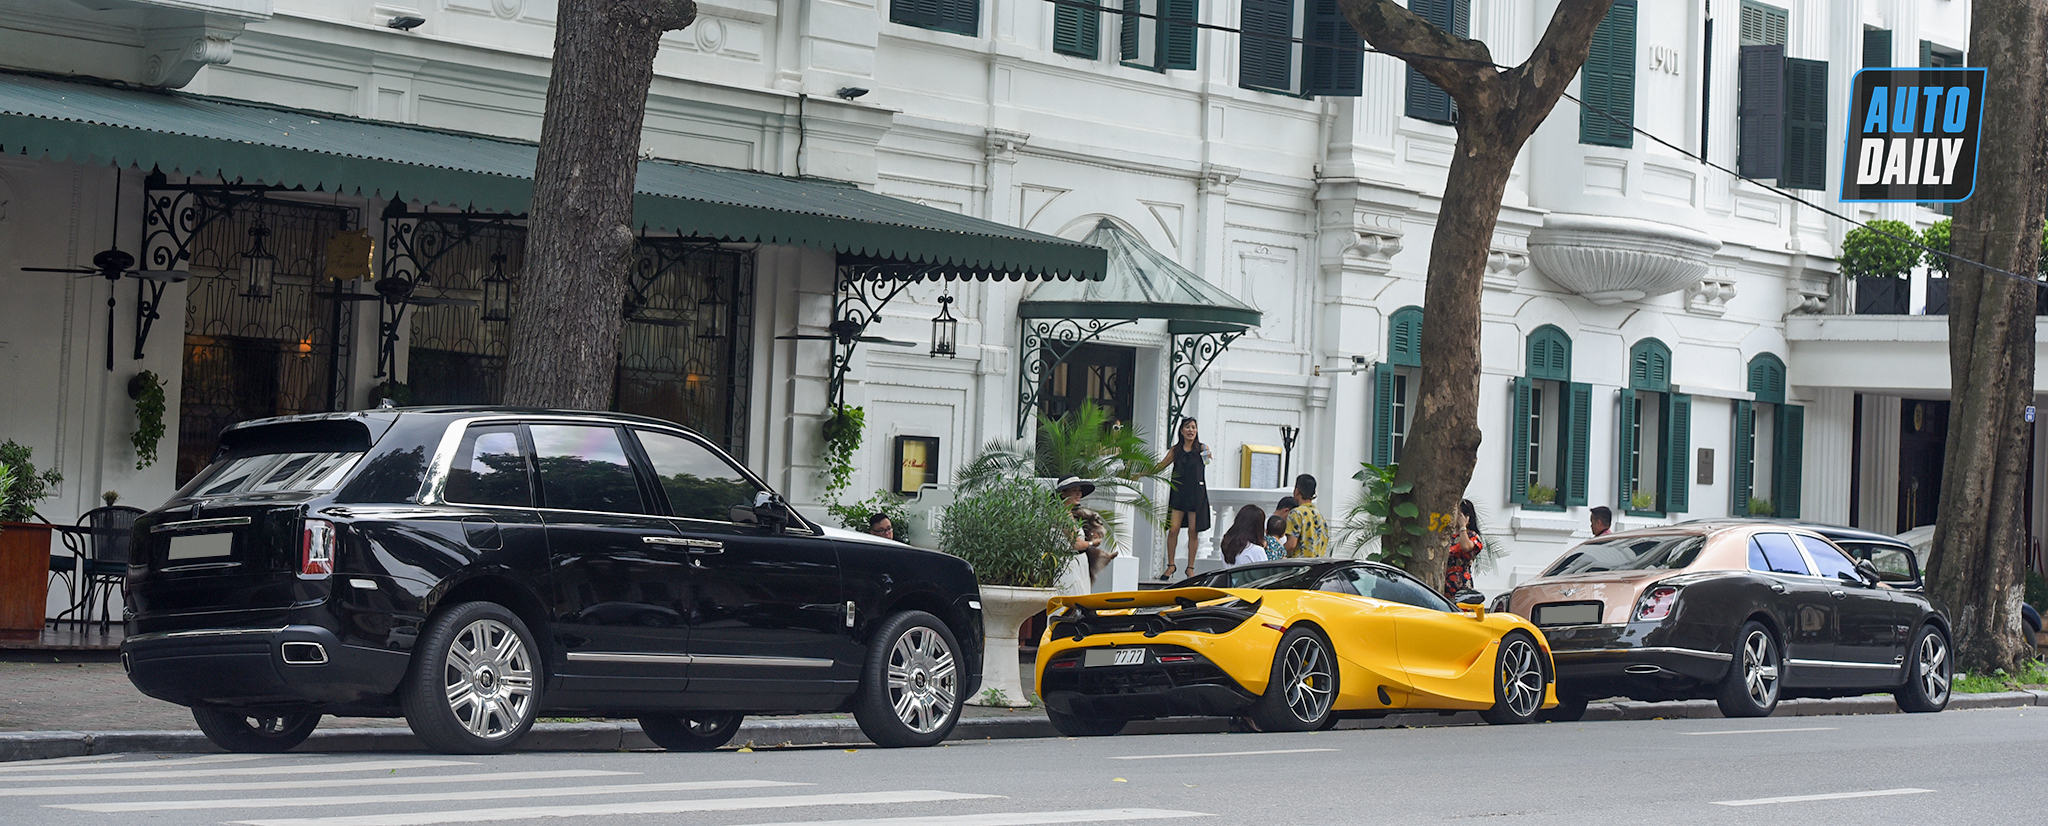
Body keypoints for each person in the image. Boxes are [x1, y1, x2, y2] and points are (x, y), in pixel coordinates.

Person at [1155, 418, 1212, 579]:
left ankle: (1190, 567)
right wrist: (1142, 473)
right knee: (1173, 530)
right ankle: (1171, 565)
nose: (1191, 430)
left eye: (1194, 427)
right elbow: (1161, 465)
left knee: (1193, 531)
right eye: (1188, 427)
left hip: (1196, 495)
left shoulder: (1202, 448)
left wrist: (1208, 455)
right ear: (1181, 431)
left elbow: (1206, 463)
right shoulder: (1176, 450)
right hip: (1179, 494)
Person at [1056, 476, 1116, 578]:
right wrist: (1092, 543)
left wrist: (1091, 538)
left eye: (1079, 490)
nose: (1078, 494)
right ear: (1063, 493)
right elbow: (1077, 544)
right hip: (1069, 565)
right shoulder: (1062, 515)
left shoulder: (1071, 514)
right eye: (1074, 490)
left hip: (1080, 563)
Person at [1444, 499, 1484, 597]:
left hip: (1461, 583)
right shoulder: (1446, 535)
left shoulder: (1471, 535)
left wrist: (1462, 526)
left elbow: (1466, 547)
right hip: (1444, 581)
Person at [1282, 474, 1329, 558]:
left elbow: (1291, 545)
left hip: (1300, 566)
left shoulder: (1296, 513)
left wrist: (1278, 553)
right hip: (1317, 566)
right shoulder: (1320, 516)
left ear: (1297, 491)